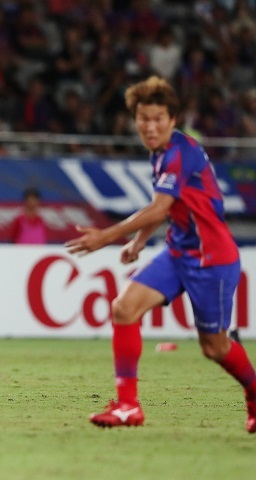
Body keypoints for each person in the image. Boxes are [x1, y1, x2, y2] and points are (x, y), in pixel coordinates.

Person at [65, 76, 256, 433]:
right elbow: (167, 207)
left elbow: (158, 207)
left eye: (158, 119)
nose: (150, 126)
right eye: (143, 118)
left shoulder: (180, 153)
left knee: (215, 348)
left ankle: (255, 395)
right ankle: (128, 406)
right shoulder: (160, 153)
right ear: (134, 119)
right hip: (179, 251)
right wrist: (139, 241)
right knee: (124, 309)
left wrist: (106, 236)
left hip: (212, 260)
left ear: (173, 120)